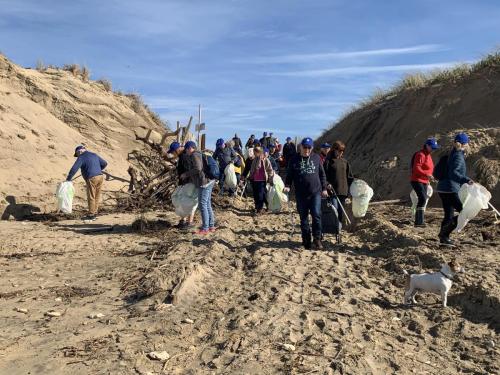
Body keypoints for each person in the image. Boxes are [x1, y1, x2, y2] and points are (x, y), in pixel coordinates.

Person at [284, 138, 328, 250]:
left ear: (312, 148)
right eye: (305, 147)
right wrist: (287, 185)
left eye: (309, 147)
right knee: (303, 218)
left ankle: (317, 239)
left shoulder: (316, 158)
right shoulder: (294, 160)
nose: (307, 150)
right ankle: (306, 241)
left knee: (316, 215)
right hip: (300, 194)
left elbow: (322, 175)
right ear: (300, 147)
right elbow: (289, 175)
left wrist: (324, 188)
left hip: (315, 193)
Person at [436, 133, 473, 245]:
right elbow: (453, 173)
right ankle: (444, 235)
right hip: (450, 189)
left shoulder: (453, 153)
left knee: (449, 214)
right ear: (464, 144)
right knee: (464, 212)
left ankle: (443, 239)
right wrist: (467, 180)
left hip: (443, 188)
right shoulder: (458, 156)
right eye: (467, 143)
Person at [179, 141, 216, 235]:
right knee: (207, 204)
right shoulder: (200, 154)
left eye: (186, 150)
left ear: (190, 148)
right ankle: (211, 226)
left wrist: (186, 174)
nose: (186, 152)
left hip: (204, 182)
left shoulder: (195, 155)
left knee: (202, 204)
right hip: (209, 181)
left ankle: (205, 228)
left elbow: (198, 169)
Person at [66, 145, 107, 221]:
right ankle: (95, 213)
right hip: (100, 176)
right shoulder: (94, 154)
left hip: (92, 178)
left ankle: (91, 214)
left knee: (91, 196)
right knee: (97, 195)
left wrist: (68, 179)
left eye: (77, 154)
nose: (77, 156)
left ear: (79, 151)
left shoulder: (81, 157)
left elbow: (74, 168)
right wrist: (98, 169)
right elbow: (104, 163)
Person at [410, 138, 439, 227]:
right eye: (432, 147)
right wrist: (427, 174)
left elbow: (428, 168)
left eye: (434, 148)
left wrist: (429, 177)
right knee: (422, 198)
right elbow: (416, 168)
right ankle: (419, 221)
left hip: (425, 180)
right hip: (416, 180)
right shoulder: (420, 154)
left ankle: (419, 221)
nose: (433, 149)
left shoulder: (428, 155)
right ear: (427, 146)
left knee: (423, 199)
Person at [323, 141, 354, 225]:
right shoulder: (328, 161)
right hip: (332, 191)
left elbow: (350, 177)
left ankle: (338, 229)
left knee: (340, 211)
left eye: (342, 151)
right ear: (334, 150)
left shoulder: (345, 162)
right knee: (334, 208)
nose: (341, 153)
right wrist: (326, 184)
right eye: (339, 150)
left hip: (343, 191)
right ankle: (335, 227)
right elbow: (323, 175)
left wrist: (351, 189)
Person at [167, 141, 196, 229]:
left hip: (189, 183)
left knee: (188, 202)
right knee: (183, 201)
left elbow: (189, 170)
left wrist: (184, 180)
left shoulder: (184, 157)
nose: (172, 154)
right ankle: (183, 221)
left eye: (172, 152)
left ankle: (189, 222)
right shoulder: (182, 156)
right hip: (185, 183)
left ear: (177, 150)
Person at [243, 146, 274, 214]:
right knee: (256, 194)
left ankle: (260, 208)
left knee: (261, 194)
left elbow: (270, 170)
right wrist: (250, 177)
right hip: (254, 180)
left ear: (259, 152)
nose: (254, 154)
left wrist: (271, 179)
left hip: (262, 180)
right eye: (254, 152)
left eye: (255, 152)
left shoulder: (265, 160)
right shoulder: (255, 160)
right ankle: (257, 207)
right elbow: (252, 169)